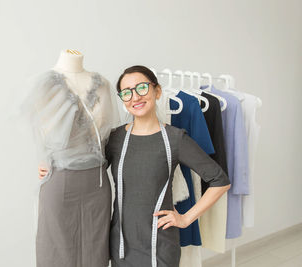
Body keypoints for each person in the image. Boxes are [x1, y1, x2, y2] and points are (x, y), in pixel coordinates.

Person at [40, 65, 230, 267]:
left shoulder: (175, 139)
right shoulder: (114, 138)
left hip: (161, 246)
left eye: (141, 88)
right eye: (127, 93)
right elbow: (88, 169)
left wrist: (185, 218)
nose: (135, 97)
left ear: (157, 91)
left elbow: (220, 180)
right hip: (120, 245)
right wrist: (55, 167)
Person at [24, 50, 120, 267]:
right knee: (56, 250)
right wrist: (45, 159)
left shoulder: (102, 84)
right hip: (60, 180)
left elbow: (106, 137)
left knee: (95, 249)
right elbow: (41, 134)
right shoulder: (44, 85)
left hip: (97, 183)